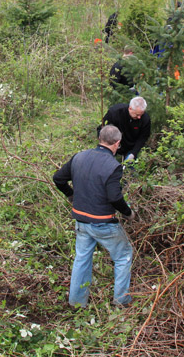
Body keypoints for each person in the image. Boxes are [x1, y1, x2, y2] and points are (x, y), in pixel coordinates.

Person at [53, 125, 135, 307]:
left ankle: (76, 303)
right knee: (124, 255)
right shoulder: (113, 166)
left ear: (100, 138)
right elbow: (115, 197)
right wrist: (128, 213)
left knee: (82, 258)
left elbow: (58, 178)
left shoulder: (79, 157)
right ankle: (121, 301)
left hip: (81, 221)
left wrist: (71, 194)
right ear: (118, 143)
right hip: (103, 223)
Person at [97, 97, 151, 161]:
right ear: (130, 108)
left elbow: (143, 138)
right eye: (137, 114)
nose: (139, 117)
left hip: (131, 146)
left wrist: (133, 153)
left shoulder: (145, 119)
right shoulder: (115, 112)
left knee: (130, 167)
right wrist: (106, 147)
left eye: (141, 115)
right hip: (112, 144)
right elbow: (101, 129)